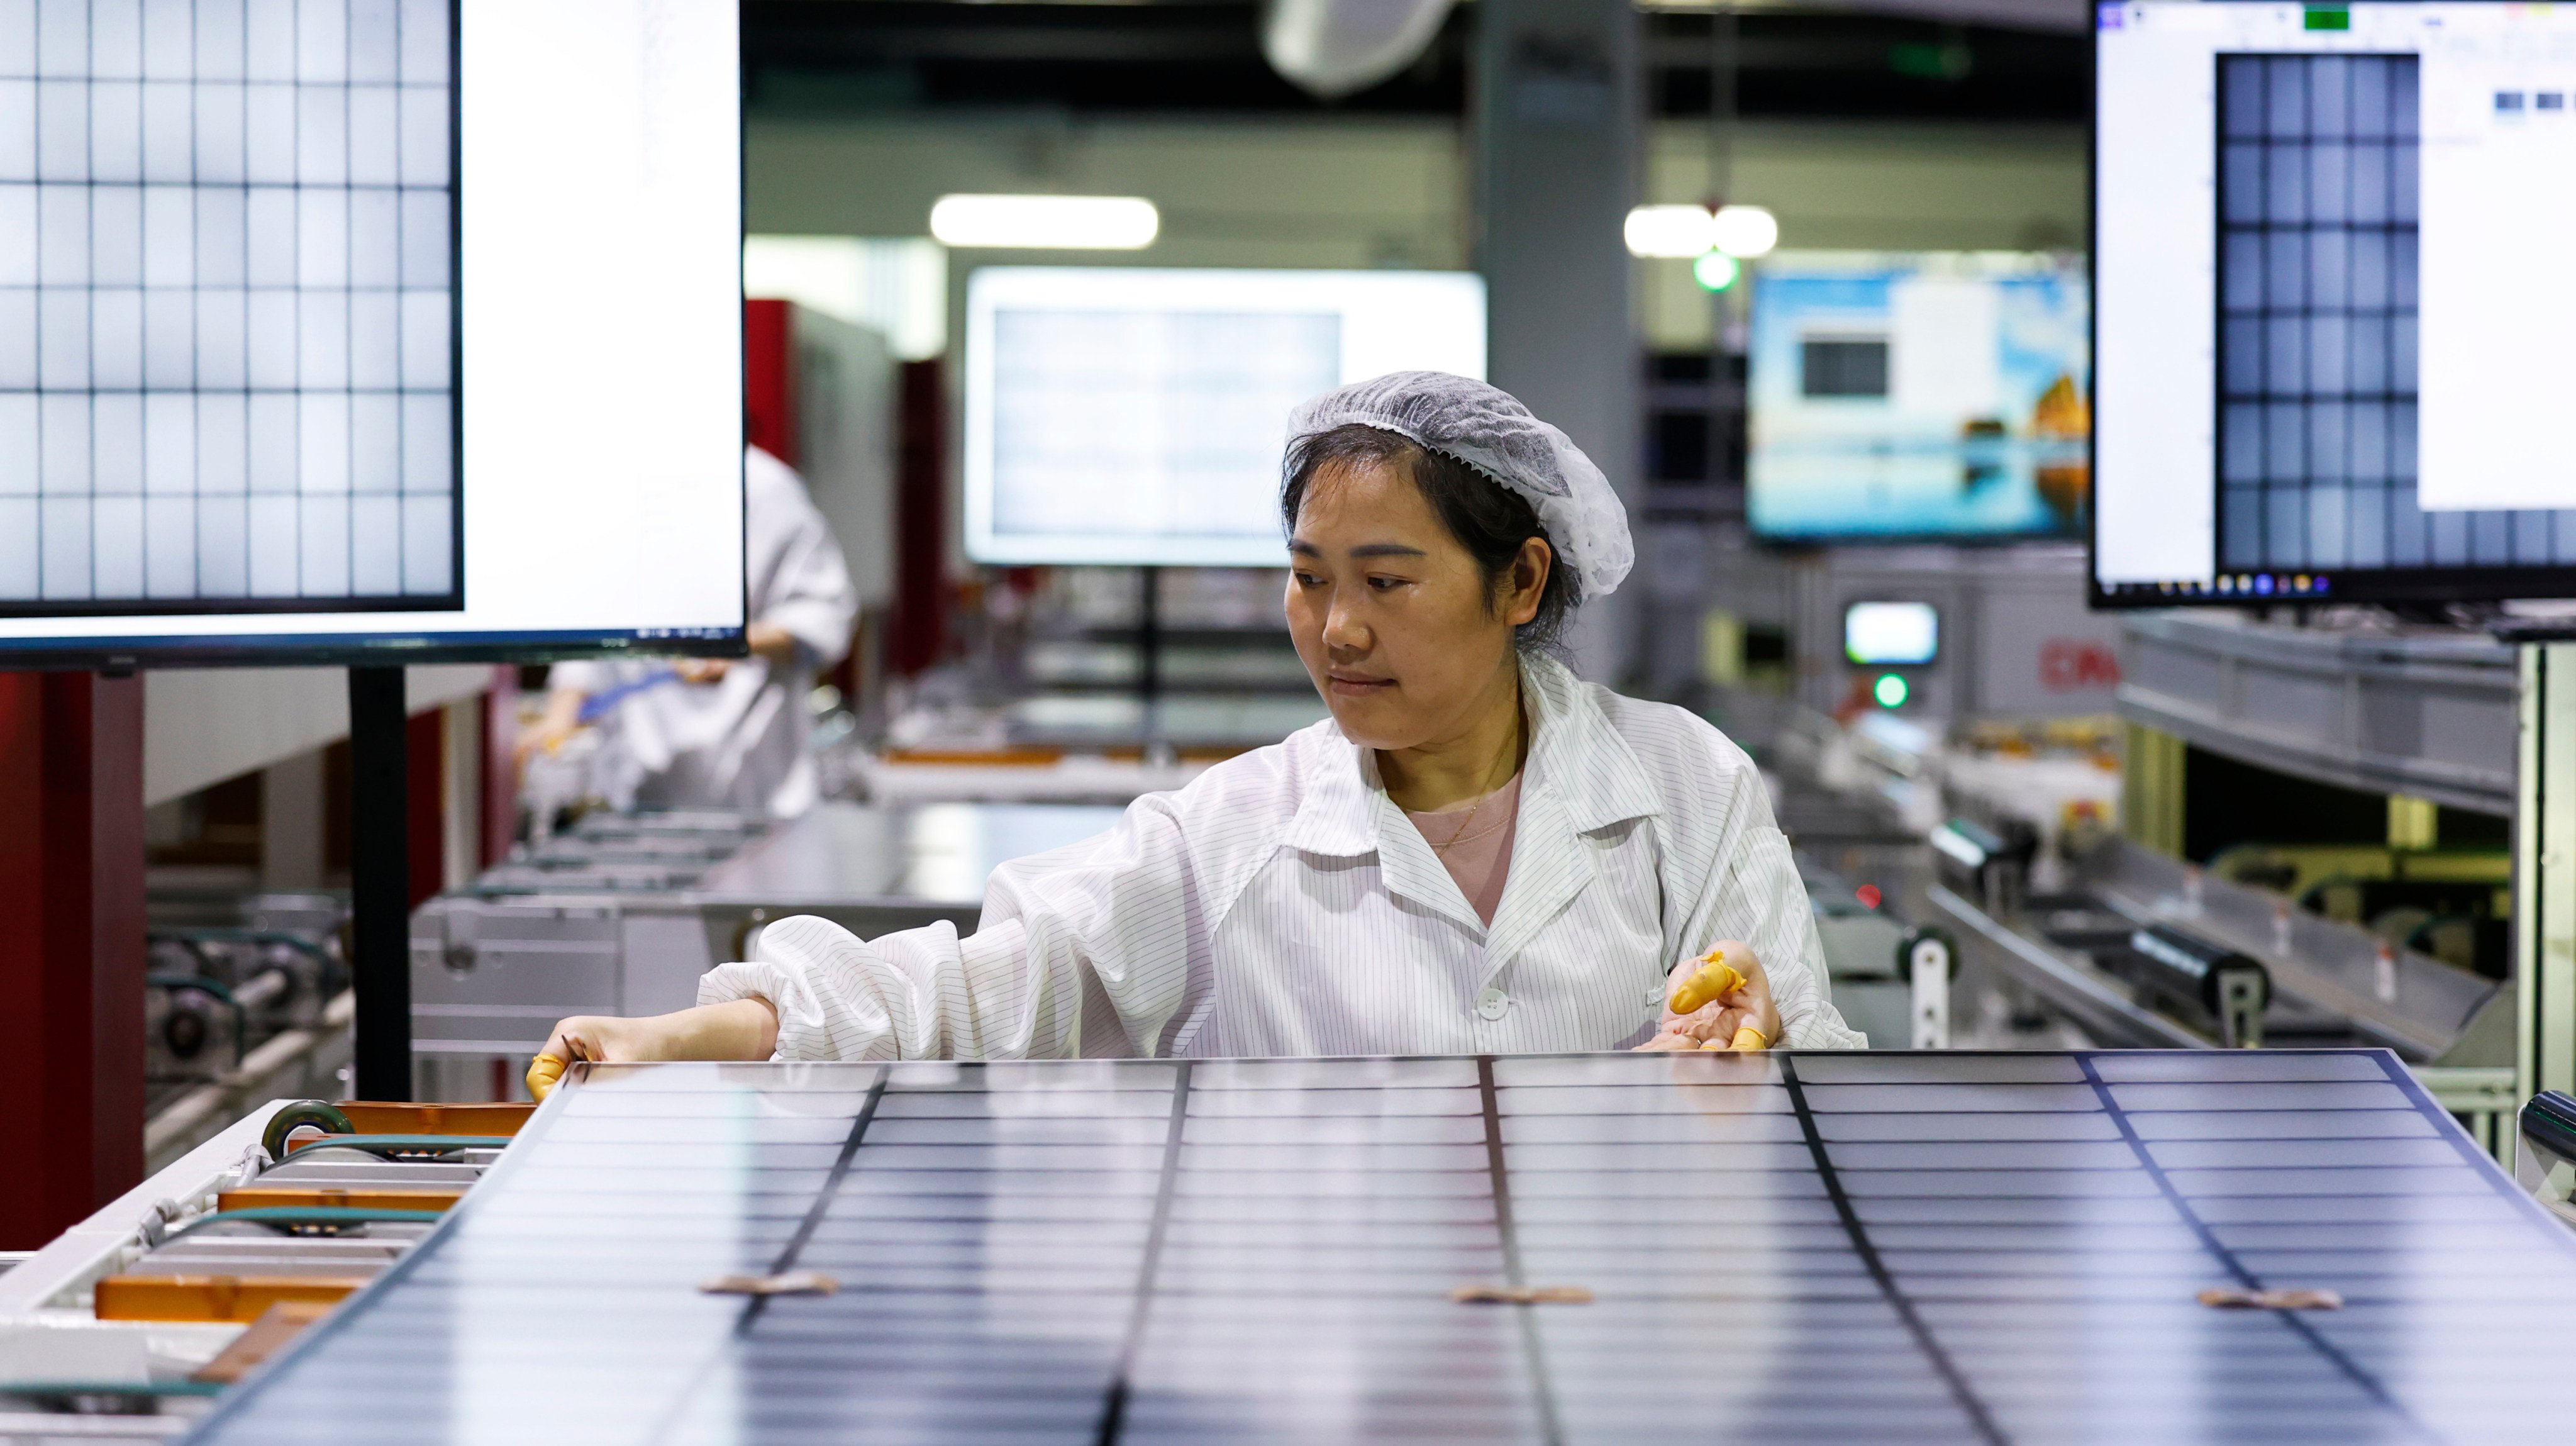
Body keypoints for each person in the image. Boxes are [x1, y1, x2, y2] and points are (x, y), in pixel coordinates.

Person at [538, 372, 1862, 1072]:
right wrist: (678, 1034)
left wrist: (1762, 1040)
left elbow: (1814, 1067)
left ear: (1520, 580)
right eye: (1307, 578)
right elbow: (968, 990)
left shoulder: (1683, 788)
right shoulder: (1232, 837)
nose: (1335, 628)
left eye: (1385, 584)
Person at [530, 445, 860, 820]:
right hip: (638, 792)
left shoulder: (766, 487)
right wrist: (562, 712)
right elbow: (593, 617)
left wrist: (737, 643)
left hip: (755, 782)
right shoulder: (613, 482)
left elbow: (825, 617)